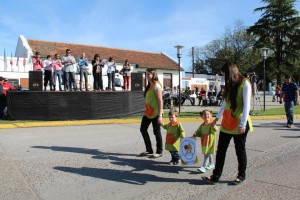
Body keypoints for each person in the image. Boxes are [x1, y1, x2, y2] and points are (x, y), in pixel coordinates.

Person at [202, 63, 253, 185]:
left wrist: (242, 124)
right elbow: (225, 102)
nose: (223, 78)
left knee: (239, 150)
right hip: (227, 122)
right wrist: (217, 118)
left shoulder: (245, 83)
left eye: (224, 75)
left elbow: (247, 106)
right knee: (221, 150)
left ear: (230, 73)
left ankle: (241, 175)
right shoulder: (230, 84)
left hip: (239, 122)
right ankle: (215, 176)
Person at [139, 68, 163, 158]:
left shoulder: (157, 86)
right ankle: (149, 150)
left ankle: (159, 151)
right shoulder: (149, 85)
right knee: (143, 129)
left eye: (149, 74)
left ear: (154, 75)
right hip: (148, 113)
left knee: (156, 132)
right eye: (146, 74)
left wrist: (160, 115)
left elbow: (160, 101)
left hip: (156, 113)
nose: (147, 76)